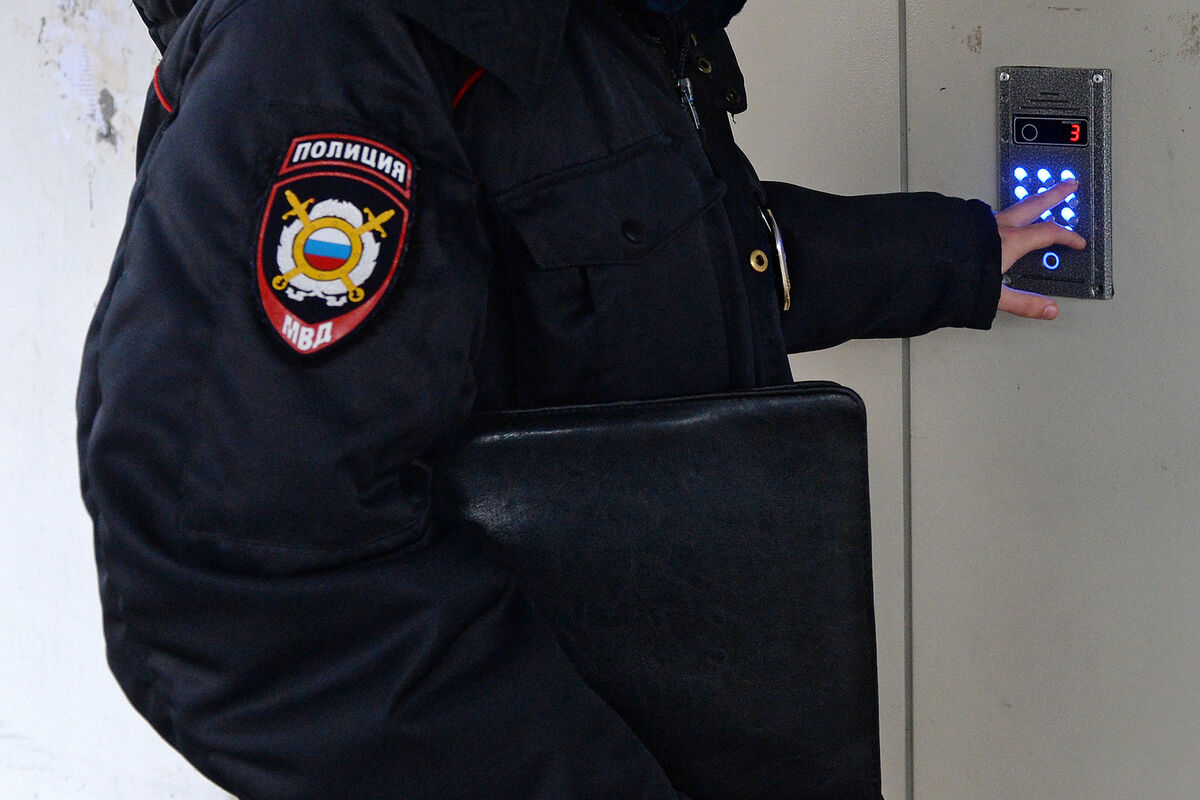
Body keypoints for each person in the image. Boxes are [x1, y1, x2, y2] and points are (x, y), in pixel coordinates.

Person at [76, 0, 1085, 798]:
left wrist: (948, 257)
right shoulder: (328, 43)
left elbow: (657, 254)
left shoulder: (585, 32)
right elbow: (232, 584)